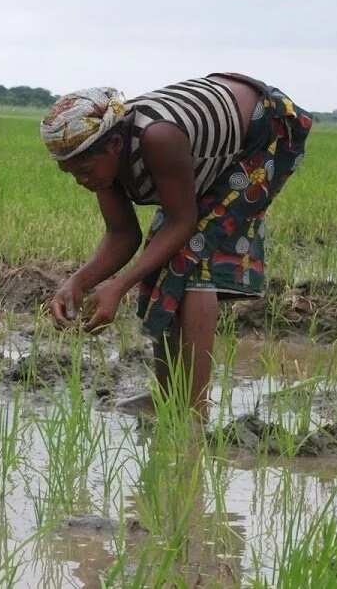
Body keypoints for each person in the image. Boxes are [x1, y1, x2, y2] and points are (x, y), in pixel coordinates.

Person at [41, 74, 311, 414]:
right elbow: (123, 235)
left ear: (113, 145)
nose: (82, 181)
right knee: (161, 255)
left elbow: (183, 221)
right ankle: (167, 398)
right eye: (71, 174)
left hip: (264, 132)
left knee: (194, 258)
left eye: (85, 169)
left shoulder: (159, 137)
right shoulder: (104, 161)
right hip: (210, 143)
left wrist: (119, 286)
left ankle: (193, 408)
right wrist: (77, 282)